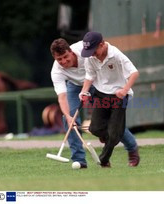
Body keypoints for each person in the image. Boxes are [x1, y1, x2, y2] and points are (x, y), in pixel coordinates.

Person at [50, 38, 140, 169]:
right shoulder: (56, 71)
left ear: (71, 52)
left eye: (65, 57)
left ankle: (131, 147)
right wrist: (68, 116)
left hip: (98, 83)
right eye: (59, 60)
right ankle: (79, 160)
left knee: (112, 122)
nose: (63, 62)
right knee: (69, 118)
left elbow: (103, 50)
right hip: (75, 87)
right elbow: (62, 97)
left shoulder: (84, 49)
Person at [79, 31, 139, 167]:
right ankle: (114, 135)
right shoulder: (90, 57)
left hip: (119, 95)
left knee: (113, 135)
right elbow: (90, 75)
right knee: (94, 129)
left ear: (102, 45)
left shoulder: (116, 55)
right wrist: (84, 91)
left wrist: (124, 90)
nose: (92, 54)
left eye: (94, 51)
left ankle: (104, 160)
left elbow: (134, 73)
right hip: (101, 93)